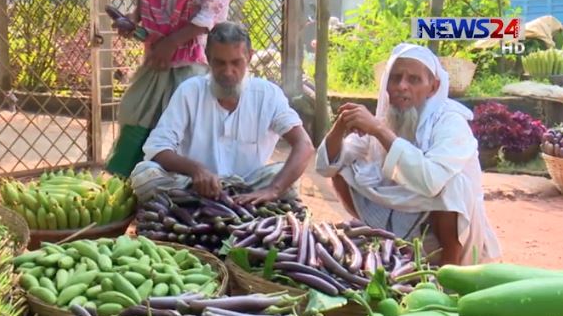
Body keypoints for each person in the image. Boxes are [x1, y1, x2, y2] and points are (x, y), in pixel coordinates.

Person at [315, 43, 501, 266]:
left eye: (413, 80)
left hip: (439, 226)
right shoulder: (385, 116)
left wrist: (380, 131)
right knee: (343, 168)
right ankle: (380, 244)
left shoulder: (450, 122)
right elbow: (326, 167)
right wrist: (340, 127)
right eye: (395, 78)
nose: (402, 86)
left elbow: (431, 181)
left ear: (433, 87)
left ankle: (449, 272)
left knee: (454, 185)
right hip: (400, 215)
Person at [130, 22, 315, 205]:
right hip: (193, 185)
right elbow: (157, 148)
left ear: (249, 57)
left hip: (248, 185)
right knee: (144, 176)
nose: (228, 72)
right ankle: (207, 199)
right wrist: (196, 170)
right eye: (220, 63)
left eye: (236, 62)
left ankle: (229, 201)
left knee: (289, 184)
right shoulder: (190, 91)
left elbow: (304, 145)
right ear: (208, 58)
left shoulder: (268, 94)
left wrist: (273, 190)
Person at [105, 0, 230, 178]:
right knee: (135, 113)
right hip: (157, 59)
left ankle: (183, 185)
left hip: (193, 62)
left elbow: (209, 15)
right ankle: (131, 183)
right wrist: (133, 18)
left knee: (182, 126)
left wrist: (172, 43)